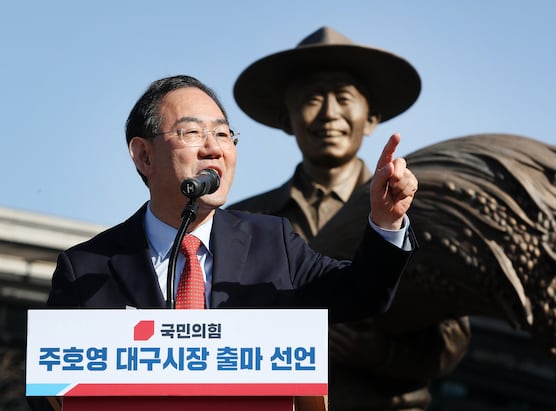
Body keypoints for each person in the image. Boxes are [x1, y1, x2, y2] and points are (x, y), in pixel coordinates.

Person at [29, 74, 418, 410]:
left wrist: (387, 221)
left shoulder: (273, 242)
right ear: (144, 155)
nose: (214, 148)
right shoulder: (87, 268)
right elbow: (50, 394)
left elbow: (363, 293)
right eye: (192, 133)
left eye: (222, 134)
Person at [228, 27, 470, 410]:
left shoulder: (409, 214)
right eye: (312, 99)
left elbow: (452, 335)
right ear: (287, 119)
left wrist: (373, 352)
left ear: (371, 118)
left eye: (344, 98)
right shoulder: (242, 222)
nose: (329, 113)